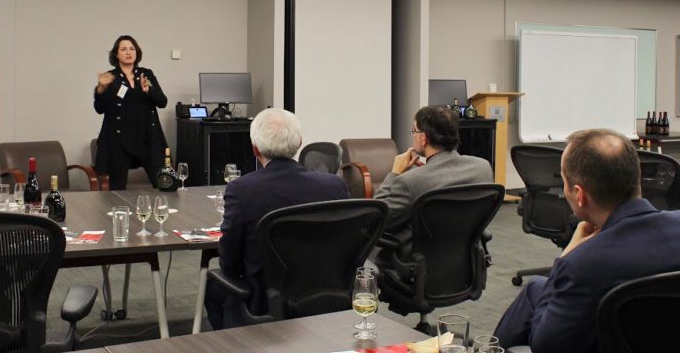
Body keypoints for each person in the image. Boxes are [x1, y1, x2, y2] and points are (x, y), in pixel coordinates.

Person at [493, 129, 680, 353]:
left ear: (579, 195)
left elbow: (547, 347)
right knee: (536, 287)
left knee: (540, 290)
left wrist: (565, 259)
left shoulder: (585, 262)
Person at [204, 108, 348, 330]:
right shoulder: (334, 185)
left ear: (255, 149)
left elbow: (229, 261)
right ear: (300, 142)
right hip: (326, 294)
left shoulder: (242, 190)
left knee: (213, 288)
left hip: (262, 299)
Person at [373, 105, 493, 259]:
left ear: (423, 138)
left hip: (419, 270)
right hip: (469, 265)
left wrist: (394, 173)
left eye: (414, 131)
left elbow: (376, 219)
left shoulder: (409, 182)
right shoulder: (483, 168)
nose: (413, 136)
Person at [93, 35, 168, 190]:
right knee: (117, 189)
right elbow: (100, 109)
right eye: (123, 49)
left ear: (137, 52)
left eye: (132, 48)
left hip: (147, 137)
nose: (128, 52)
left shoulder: (146, 74)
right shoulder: (110, 77)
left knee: (164, 184)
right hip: (120, 140)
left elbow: (162, 102)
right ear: (116, 54)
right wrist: (100, 89)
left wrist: (149, 90)